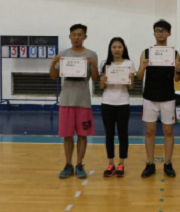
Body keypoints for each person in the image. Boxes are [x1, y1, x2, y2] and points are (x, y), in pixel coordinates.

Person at [50, 24, 99, 180]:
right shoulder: (63, 54)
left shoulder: (91, 54)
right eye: (74, 34)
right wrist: (52, 63)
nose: (76, 37)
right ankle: (68, 164)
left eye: (79, 35)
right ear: (70, 36)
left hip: (83, 100)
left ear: (85, 37)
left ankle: (79, 164)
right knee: (67, 135)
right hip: (66, 100)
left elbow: (95, 79)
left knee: (83, 135)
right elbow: (53, 76)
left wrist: (94, 65)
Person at [137, 19, 180, 178]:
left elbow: (177, 79)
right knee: (150, 131)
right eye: (158, 30)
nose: (160, 33)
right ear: (154, 33)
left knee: (168, 131)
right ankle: (150, 163)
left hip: (168, 97)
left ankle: (168, 163)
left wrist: (178, 70)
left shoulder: (175, 53)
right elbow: (139, 76)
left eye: (163, 31)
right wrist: (143, 67)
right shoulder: (146, 52)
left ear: (169, 33)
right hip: (150, 97)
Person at [99, 37, 135, 178]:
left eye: (119, 47)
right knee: (109, 134)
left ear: (123, 48)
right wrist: (102, 81)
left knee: (122, 134)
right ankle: (110, 163)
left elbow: (131, 87)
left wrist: (131, 79)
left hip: (123, 103)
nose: (117, 49)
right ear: (110, 49)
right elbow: (101, 87)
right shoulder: (105, 64)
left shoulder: (129, 63)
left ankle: (121, 163)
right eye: (114, 47)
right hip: (107, 102)